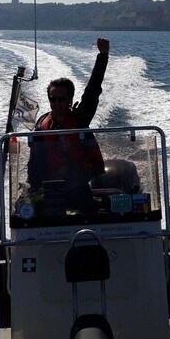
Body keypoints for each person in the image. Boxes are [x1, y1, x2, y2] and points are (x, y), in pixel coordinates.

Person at [27, 38, 109, 211]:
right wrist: (33, 191)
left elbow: (92, 91)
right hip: (51, 188)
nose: (57, 103)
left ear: (70, 100)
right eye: (53, 99)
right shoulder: (42, 125)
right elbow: (34, 162)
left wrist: (103, 56)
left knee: (91, 213)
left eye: (62, 99)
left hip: (78, 186)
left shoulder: (80, 118)